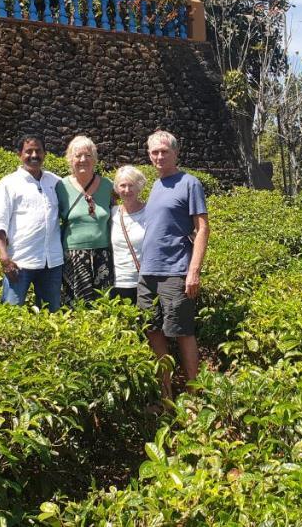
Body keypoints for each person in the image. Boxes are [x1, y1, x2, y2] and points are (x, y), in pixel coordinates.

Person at [138, 130, 210, 400]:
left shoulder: (189, 183)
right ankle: (166, 395)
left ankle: (193, 397)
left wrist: (193, 270)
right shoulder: (155, 185)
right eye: (154, 152)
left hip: (176, 270)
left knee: (182, 333)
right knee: (153, 331)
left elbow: (202, 228)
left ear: (175, 153)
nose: (158, 156)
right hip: (148, 272)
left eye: (164, 152)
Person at [0, 135, 64, 312]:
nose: (34, 155)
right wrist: (4, 258)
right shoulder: (8, 184)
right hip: (20, 262)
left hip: (51, 263)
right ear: (19, 154)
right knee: (11, 313)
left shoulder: (55, 182)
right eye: (28, 151)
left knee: (51, 313)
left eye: (38, 151)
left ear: (45, 154)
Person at [54, 135, 114, 305]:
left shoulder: (108, 186)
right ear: (70, 159)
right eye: (77, 155)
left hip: (103, 255)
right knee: (75, 307)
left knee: (103, 306)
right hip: (72, 256)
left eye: (88, 155)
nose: (82, 160)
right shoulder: (61, 187)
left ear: (94, 159)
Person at [110, 165, 149, 303]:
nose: (127, 190)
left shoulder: (150, 212)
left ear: (139, 186)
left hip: (145, 282)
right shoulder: (112, 213)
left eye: (131, 185)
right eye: (122, 185)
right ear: (116, 188)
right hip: (117, 283)